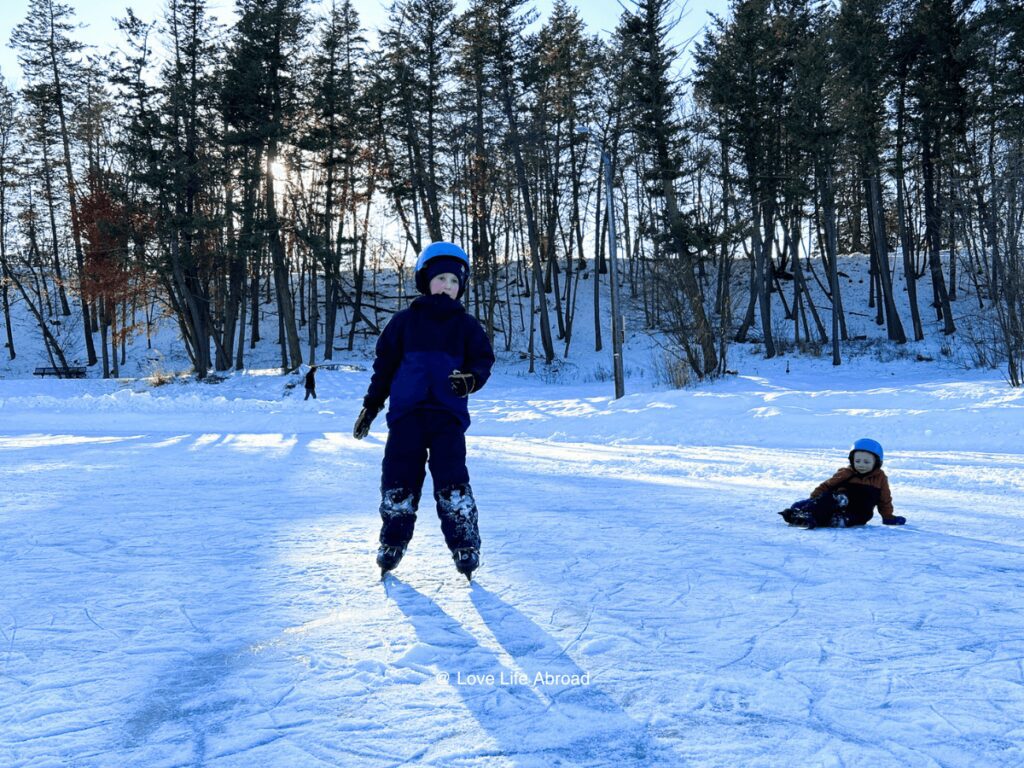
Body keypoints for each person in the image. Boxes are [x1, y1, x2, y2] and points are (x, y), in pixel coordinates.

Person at [352, 241, 495, 580]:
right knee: (398, 479)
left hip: (447, 418)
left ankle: (465, 542)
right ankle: (392, 540)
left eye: (455, 282)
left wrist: (470, 380)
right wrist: (371, 406)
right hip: (407, 418)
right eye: (442, 278)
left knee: (452, 481)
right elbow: (384, 368)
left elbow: (482, 361)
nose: (448, 286)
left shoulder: (467, 326)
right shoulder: (403, 323)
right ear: (425, 279)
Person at [780, 438, 907, 529]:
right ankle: (801, 513)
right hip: (837, 504)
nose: (861, 465)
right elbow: (828, 485)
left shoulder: (880, 478)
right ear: (852, 460)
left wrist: (888, 517)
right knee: (809, 503)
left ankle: (831, 519)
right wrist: (815, 497)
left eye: (866, 462)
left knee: (848, 517)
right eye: (857, 461)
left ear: (877, 463)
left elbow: (885, 499)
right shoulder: (846, 472)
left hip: (859, 511)